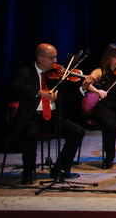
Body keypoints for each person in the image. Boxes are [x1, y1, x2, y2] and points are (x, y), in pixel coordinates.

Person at [8, 43, 86, 184]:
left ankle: (60, 168)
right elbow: (16, 88)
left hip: (53, 117)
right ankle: (28, 171)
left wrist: (83, 88)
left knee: (77, 131)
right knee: (30, 134)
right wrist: (39, 92)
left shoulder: (57, 75)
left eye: (56, 57)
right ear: (40, 58)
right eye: (52, 58)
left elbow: (69, 96)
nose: (55, 61)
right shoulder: (25, 72)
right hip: (32, 117)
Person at [82, 43, 116, 169]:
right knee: (110, 123)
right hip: (105, 106)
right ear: (108, 57)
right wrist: (97, 91)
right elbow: (87, 83)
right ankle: (109, 157)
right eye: (115, 56)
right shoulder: (100, 71)